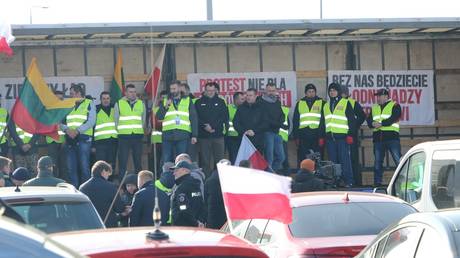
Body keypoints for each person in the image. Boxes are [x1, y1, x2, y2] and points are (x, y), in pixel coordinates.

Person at [321, 83, 356, 188]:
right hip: (330, 138)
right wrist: (322, 136)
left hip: (342, 137)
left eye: (334, 90)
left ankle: (348, 181)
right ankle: (335, 181)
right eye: (330, 90)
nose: (332, 92)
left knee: (345, 160)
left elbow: (351, 120)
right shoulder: (326, 105)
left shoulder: (345, 103)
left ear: (339, 92)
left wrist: (350, 134)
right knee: (333, 162)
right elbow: (323, 122)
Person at [60, 84, 96, 187]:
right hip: (70, 139)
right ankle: (74, 192)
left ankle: (87, 191)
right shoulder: (68, 105)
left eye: (72, 94)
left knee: (84, 168)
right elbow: (60, 122)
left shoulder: (89, 103)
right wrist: (67, 129)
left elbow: (92, 121)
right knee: (71, 168)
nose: (70, 96)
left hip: (83, 139)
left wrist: (77, 131)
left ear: (78, 93)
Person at [156, 81, 198, 164]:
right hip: (168, 135)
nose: (172, 91)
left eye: (174, 88)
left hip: (182, 134)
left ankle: (181, 176)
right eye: (171, 89)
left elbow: (193, 118)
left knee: (181, 159)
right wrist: (165, 107)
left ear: (179, 88)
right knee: (166, 159)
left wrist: (194, 135)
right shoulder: (165, 100)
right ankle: (166, 176)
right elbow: (159, 117)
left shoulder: (188, 100)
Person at [367, 88, 402, 186]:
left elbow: (394, 117)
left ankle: (404, 181)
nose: (378, 98)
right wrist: (372, 123)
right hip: (378, 139)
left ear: (386, 96)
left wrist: (381, 124)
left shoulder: (395, 105)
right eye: (377, 96)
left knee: (398, 161)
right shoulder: (374, 107)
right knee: (378, 163)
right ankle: (377, 183)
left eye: (380, 96)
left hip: (392, 138)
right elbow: (368, 120)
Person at [195, 82, 229, 176]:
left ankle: (220, 180)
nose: (210, 92)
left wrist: (213, 127)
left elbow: (224, 117)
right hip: (204, 136)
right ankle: (207, 181)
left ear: (215, 91)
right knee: (205, 161)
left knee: (220, 160)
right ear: (205, 91)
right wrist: (205, 126)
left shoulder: (221, 102)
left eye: (212, 91)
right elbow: (196, 117)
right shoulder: (198, 102)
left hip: (218, 135)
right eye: (208, 91)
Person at [79, 161, 125, 227]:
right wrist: (124, 208)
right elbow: (119, 208)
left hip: (89, 225)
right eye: (108, 174)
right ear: (103, 171)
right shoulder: (110, 186)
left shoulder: (82, 187)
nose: (108, 177)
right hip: (107, 225)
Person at [114, 84, 146, 180]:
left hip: (137, 136)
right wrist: (120, 131)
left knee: (138, 162)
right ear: (126, 93)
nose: (133, 94)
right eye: (131, 92)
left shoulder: (141, 103)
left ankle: (140, 183)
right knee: (122, 162)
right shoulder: (119, 103)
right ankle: (122, 185)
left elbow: (143, 120)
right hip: (123, 137)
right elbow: (116, 120)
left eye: (134, 92)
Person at [292, 84, 326, 164]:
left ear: (315, 92)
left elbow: (323, 121)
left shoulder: (322, 103)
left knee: (317, 158)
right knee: (304, 157)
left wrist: (322, 136)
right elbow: (296, 121)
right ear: (305, 93)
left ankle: (318, 175)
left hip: (317, 134)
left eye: (313, 91)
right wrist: (296, 136)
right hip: (303, 135)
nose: (311, 93)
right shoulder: (300, 103)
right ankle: (305, 175)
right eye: (309, 91)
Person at [341, 85, 366, 186]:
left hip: (351, 136)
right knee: (343, 159)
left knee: (353, 159)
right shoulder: (336, 103)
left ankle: (356, 182)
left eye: (343, 93)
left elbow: (362, 116)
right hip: (341, 135)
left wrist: (354, 126)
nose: (342, 94)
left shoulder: (352, 103)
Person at [170, 160, 206, 227]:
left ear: (185, 171)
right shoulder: (196, 185)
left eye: (176, 170)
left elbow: (184, 209)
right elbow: (202, 206)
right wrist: (200, 222)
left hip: (183, 228)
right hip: (197, 227)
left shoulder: (181, 187)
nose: (174, 173)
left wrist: (196, 223)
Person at [259, 83, 286, 171]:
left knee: (281, 157)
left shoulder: (277, 101)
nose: (271, 92)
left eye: (273, 90)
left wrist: (281, 122)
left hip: (277, 132)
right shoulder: (261, 102)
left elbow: (282, 114)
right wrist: (280, 124)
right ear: (265, 91)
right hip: (267, 132)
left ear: (276, 91)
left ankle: (272, 173)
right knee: (269, 158)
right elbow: (266, 119)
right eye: (269, 90)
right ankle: (269, 176)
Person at [233, 88, 266, 153]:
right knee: (244, 162)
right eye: (247, 95)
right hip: (244, 140)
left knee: (257, 162)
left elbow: (265, 123)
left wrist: (254, 131)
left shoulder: (262, 107)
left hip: (258, 141)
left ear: (256, 96)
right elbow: (236, 122)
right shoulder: (241, 107)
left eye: (250, 95)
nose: (248, 97)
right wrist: (244, 131)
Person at [93, 92, 118, 174]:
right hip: (100, 142)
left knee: (111, 164)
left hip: (113, 141)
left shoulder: (115, 108)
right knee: (101, 165)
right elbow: (92, 127)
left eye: (107, 98)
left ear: (110, 99)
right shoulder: (96, 109)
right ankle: (101, 183)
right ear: (100, 99)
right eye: (104, 98)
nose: (106, 100)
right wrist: (93, 144)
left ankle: (110, 182)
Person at [46, 90, 67, 181]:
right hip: (51, 140)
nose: (59, 100)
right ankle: (54, 184)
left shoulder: (66, 110)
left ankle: (64, 185)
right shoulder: (48, 110)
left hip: (63, 141)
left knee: (64, 166)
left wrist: (66, 140)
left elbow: (68, 126)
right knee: (53, 166)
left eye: (61, 99)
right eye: (57, 98)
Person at [204, 159, 229, 229]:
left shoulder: (208, 181)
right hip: (226, 219)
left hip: (211, 219)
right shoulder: (230, 181)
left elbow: (205, 201)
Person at [150, 90, 168, 173]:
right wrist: (166, 122)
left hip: (168, 136)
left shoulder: (171, 109)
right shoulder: (155, 109)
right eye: (162, 97)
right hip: (157, 137)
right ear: (160, 98)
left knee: (166, 158)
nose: (164, 99)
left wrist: (162, 121)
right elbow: (154, 124)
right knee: (156, 158)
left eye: (166, 98)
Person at [226, 92, 245, 164]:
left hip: (242, 136)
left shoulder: (244, 108)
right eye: (242, 99)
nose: (244, 101)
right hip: (231, 137)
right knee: (233, 157)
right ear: (236, 99)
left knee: (242, 157)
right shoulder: (228, 108)